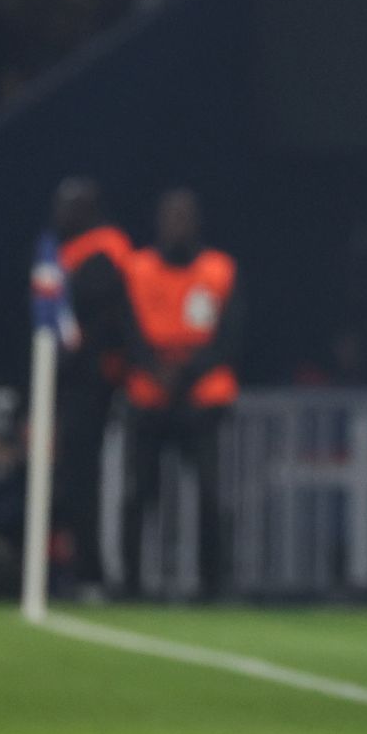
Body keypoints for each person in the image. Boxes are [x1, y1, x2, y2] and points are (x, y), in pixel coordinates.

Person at [121, 187, 240, 599]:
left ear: (197, 222)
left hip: (201, 399)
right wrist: (157, 369)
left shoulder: (219, 270)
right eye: (171, 216)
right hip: (149, 394)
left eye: (185, 216)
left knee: (211, 492)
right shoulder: (137, 268)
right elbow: (128, 331)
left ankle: (214, 583)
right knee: (137, 493)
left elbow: (229, 337)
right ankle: (131, 583)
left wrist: (187, 370)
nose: (178, 224)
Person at [49, 177, 134, 597]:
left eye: (68, 206)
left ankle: (95, 574)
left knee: (89, 481)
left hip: (97, 383)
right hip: (73, 384)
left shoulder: (104, 250)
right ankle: (80, 568)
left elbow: (91, 312)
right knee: (73, 481)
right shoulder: (66, 253)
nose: (59, 214)